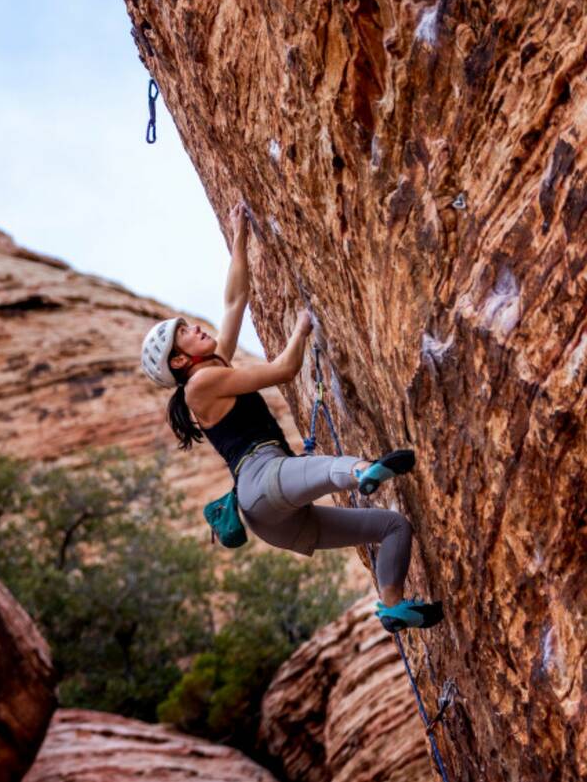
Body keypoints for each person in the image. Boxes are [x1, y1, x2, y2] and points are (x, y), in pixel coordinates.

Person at [139, 203, 442, 633]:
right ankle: (365, 472)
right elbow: (283, 370)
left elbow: (235, 300)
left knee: (392, 527)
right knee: (337, 470)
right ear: (180, 359)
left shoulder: (214, 367)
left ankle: (393, 607)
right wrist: (302, 330)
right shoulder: (198, 387)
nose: (196, 328)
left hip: (278, 516)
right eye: (184, 331)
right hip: (262, 481)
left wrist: (239, 236)